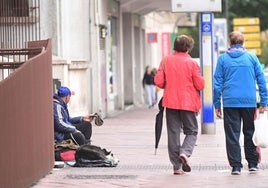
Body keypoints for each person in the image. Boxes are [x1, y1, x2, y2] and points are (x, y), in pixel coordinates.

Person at [213, 31, 268, 175]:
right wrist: (264, 101)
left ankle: (236, 166)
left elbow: (217, 83)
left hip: (230, 102)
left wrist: (217, 104)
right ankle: (252, 163)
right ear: (243, 42)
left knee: (232, 135)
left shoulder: (223, 59)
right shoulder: (251, 58)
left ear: (230, 42)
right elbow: (261, 81)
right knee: (250, 132)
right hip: (249, 102)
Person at [154, 35, 205, 175]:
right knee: (192, 131)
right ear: (188, 48)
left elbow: (159, 82)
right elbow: (200, 84)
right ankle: (185, 152)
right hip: (188, 102)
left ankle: (176, 167)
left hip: (170, 102)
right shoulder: (192, 63)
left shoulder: (165, 61)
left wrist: (169, 83)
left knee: (173, 133)